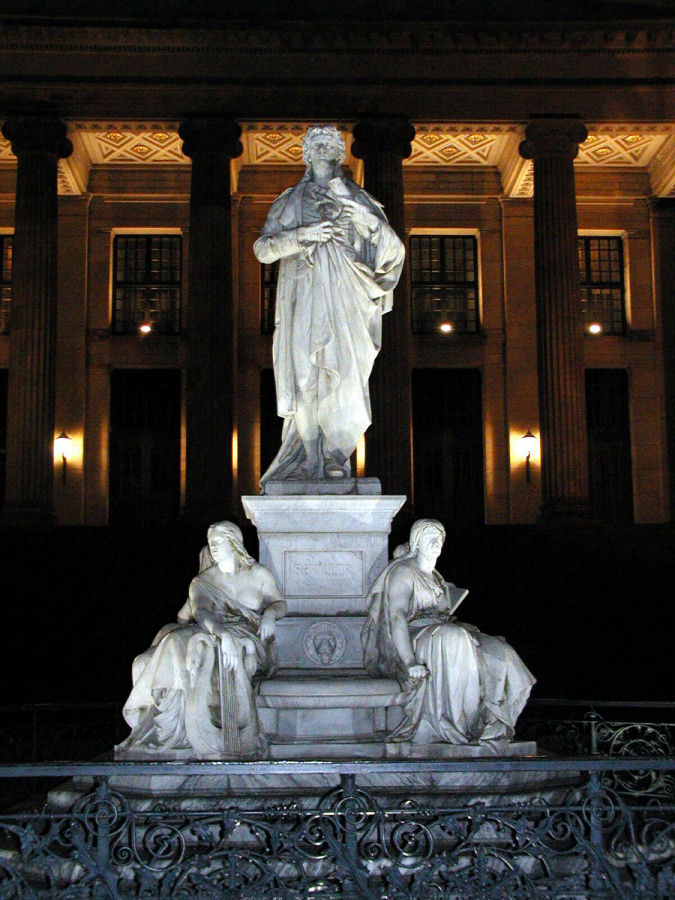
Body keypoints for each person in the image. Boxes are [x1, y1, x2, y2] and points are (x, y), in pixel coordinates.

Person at [254, 124, 405, 488]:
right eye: (317, 143)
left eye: (329, 143)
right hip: (304, 294)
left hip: (346, 295)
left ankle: (336, 456)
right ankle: (310, 457)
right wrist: (302, 235)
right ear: (307, 153)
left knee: (344, 377)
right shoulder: (291, 200)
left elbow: (391, 248)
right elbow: (263, 249)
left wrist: (362, 217)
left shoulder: (358, 197)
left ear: (339, 153)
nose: (323, 148)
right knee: (305, 377)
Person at [116, 522, 286, 759]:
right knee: (177, 642)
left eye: (218, 542)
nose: (212, 547)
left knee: (187, 642)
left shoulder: (259, 574)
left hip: (249, 638)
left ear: (233, 542)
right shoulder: (203, 581)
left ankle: (174, 728)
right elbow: (201, 612)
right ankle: (168, 727)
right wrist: (222, 634)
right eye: (210, 542)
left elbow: (279, 602)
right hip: (213, 631)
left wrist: (269, 615)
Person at [362, 519, 535, 745]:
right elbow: (397, 618)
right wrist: (410, 661)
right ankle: (462, 726)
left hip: (442, 629)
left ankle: (492, 722)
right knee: (454, 638)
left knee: (500, 651)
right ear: (416, 542)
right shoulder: (403, 572)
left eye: (439, 538)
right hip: (415, 636)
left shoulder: (437, 577)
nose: (435, 543)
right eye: (429, 538)